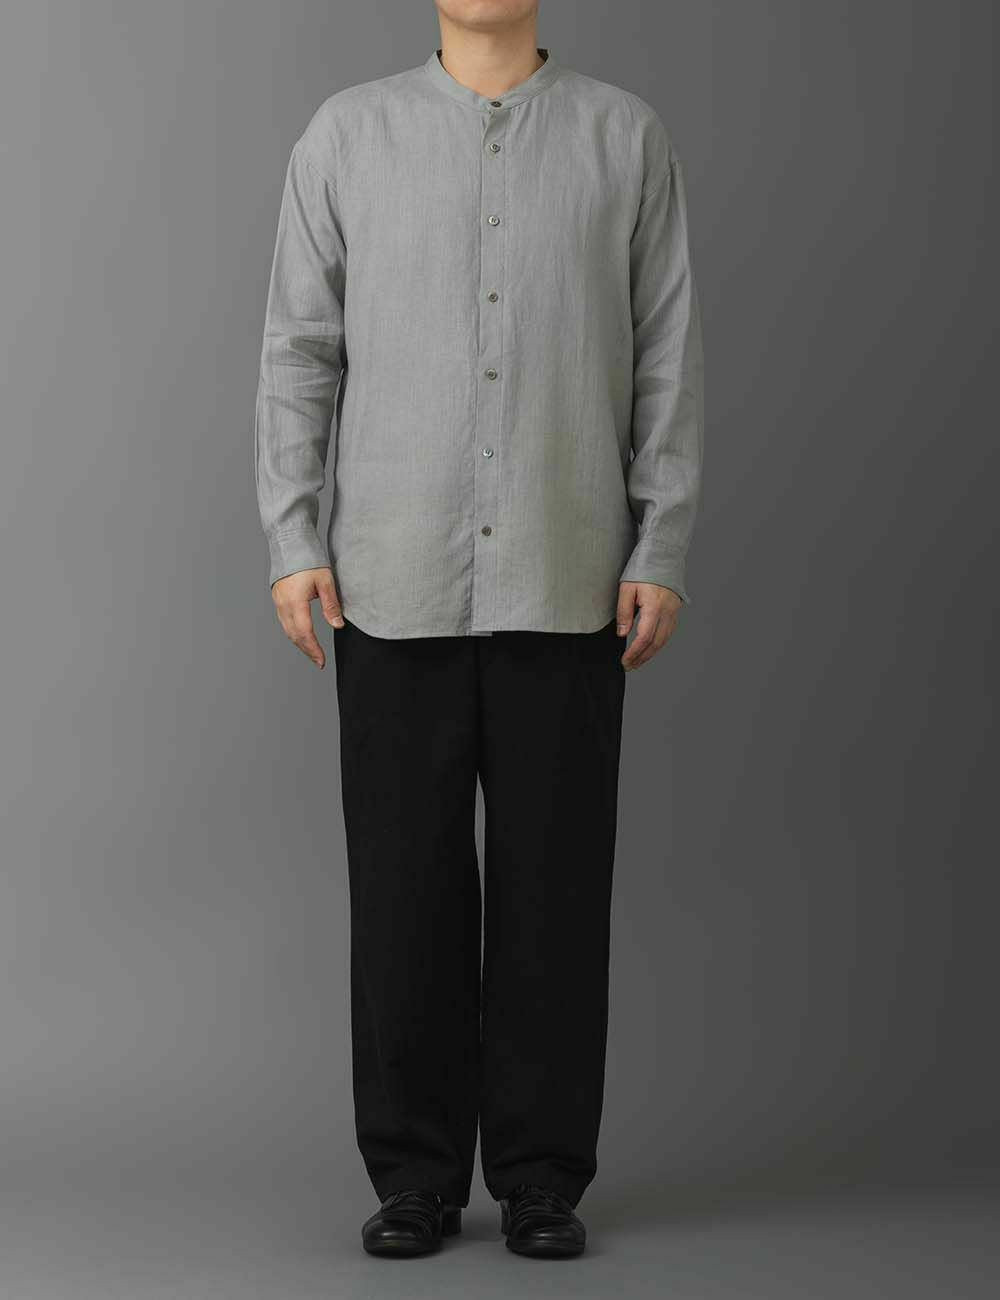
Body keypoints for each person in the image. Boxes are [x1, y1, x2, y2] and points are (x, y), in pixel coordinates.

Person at [253, 0, 703, 1261]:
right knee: (404, 893)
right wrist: (292, 535)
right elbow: (299, 348)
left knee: (555, 894)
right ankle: (413, 1176)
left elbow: (666, 352)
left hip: (568, 569)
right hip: (391, 577)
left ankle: (543, 1177)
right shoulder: (346, 136)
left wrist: (660, 542)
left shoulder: (624, 138)